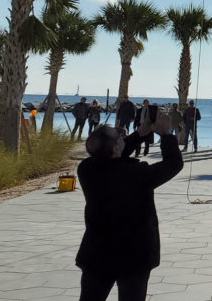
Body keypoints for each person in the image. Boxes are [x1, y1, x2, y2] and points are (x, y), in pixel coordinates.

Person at [75, 115, 182, 301]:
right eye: (119, 137)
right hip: (134, 256)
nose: (122, 136)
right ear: (116, 147)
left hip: (97, 253)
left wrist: (139, 135)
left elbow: (110, 158)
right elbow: (173, 164)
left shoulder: (86, 169)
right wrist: (166, 134)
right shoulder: (137, 174)